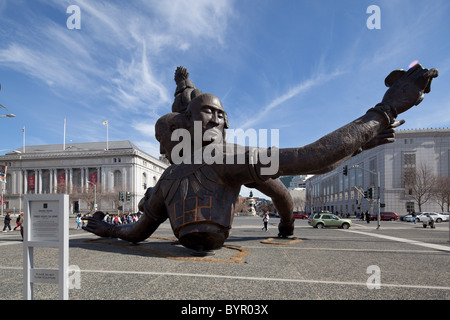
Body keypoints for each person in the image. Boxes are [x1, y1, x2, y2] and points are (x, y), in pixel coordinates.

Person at [84, 64, 438, 251]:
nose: (218, 119)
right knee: (278, 190)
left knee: (281, 193)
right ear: (187, 122)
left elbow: (309, 160)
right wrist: (110, 230)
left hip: (221, 200)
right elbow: (139, 230)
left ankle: (286, 226)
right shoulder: (171, 179)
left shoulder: (227, 158)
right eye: (209, 112)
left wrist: (378, 119)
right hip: (205, 211)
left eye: (223, 116)